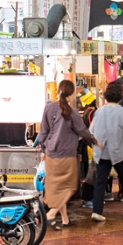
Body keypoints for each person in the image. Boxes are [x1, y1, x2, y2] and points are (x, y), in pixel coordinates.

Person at [35, 79, 96, 230]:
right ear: (72, 93)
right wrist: (94, 141)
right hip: (66, 154)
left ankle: (65, 219)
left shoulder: (49, 108)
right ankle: (51, 213)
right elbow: (82, 131)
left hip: (50, 153)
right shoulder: (73, 112)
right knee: (70, 187)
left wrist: (43, 149)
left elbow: (43, 131)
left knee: (59, 187)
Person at [88, 83, 123, 221]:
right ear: (120, 97)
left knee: (100, 181)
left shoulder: (99, 111)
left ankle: (97, 211)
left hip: (102, 151)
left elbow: (92, 132)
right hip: (120, 153)